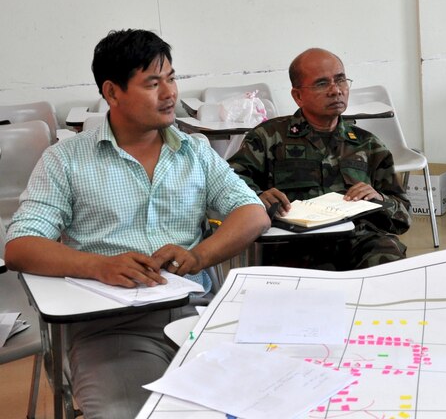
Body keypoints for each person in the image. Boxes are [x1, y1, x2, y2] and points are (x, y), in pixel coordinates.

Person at [4, 29, 269, 419]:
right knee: (128, 413)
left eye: (172, 78)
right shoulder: (67, 160)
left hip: (196, 313)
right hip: (110, 327)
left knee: (265, 402)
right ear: (112, 93)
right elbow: (21, 245)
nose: (170, 93)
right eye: (152, 83)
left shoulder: (194, 151)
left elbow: (253, 213)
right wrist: (100, 266)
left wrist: (197, 257)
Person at [228, 47, 410, 269]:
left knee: (390, 263)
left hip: (357, 241)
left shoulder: (367, 144)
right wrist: (258, 197)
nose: (336, 91)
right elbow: (229, 184)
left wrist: (380, 199)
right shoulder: (268, 137)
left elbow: (403, 216)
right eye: (322, 84)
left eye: (341, 80)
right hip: (294, 243)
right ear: (298, 96)